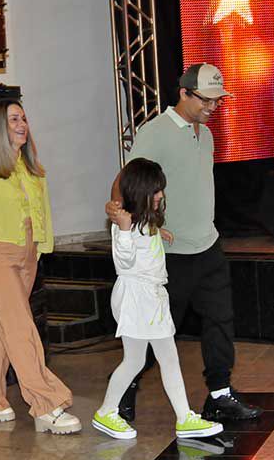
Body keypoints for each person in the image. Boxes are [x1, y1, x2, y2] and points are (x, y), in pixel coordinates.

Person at [106, 63, 263, 422]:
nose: (212, 107)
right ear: (184, 93)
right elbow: (127, 182)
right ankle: (123, 394)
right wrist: (132, 220)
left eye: (217, 101)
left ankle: (220, 394)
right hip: (170, 256)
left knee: (221, 320)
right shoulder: (155, 132)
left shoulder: (205, 134)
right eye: (206, 100)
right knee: (154, 333)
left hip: (208, 246)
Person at [0, 100, 81, 435]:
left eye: (23, 118)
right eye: (13, 119)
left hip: (27, 256)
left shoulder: (32, 169)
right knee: (21, 329)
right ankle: (45, 403)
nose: (22, 124)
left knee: (3, 328)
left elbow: (42, 211)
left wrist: (42, 248)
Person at [92, 158, 223, 440]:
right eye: (156, 190)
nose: (161, 195)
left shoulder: (142, 221)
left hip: (149, 298)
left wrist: (155, 232)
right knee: (144, 360)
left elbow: (141, 241)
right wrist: (124, 230)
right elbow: (124, 261)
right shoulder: (125, 223)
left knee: (148, 359)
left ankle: (180, 417)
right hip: (138, 299)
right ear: (140, 190)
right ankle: (109, 412)